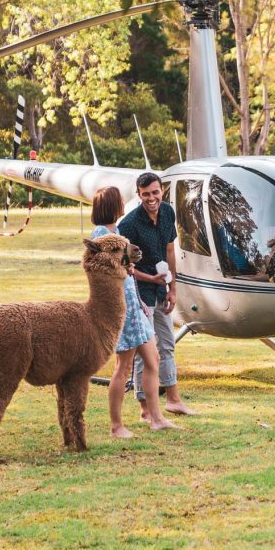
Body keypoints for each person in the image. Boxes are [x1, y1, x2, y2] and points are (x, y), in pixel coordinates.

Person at [90, 186, 178, 438]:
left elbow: (126, 271)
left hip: (135, 306)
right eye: (119, 201)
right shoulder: (100, 235)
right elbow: (103, 271)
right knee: (123, 366)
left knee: (153, 360)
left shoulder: (115, 232)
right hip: (123, 310)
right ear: (111, 206)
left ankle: (156, 418)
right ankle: (116, 426)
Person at [118, 172, 196, 417]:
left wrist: (172, 288)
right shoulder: (128, 225)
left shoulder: (168, 213)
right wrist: (151, 279)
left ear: (161, 191)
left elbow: (170, 251)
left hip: (162, 288)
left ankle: (173, 399)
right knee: (145, 350)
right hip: (141, 291)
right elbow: (124, 267)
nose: (151, 198)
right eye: (145, 194)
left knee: (167, 344)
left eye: (155, 192)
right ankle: (144, 408)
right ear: (139, 195)